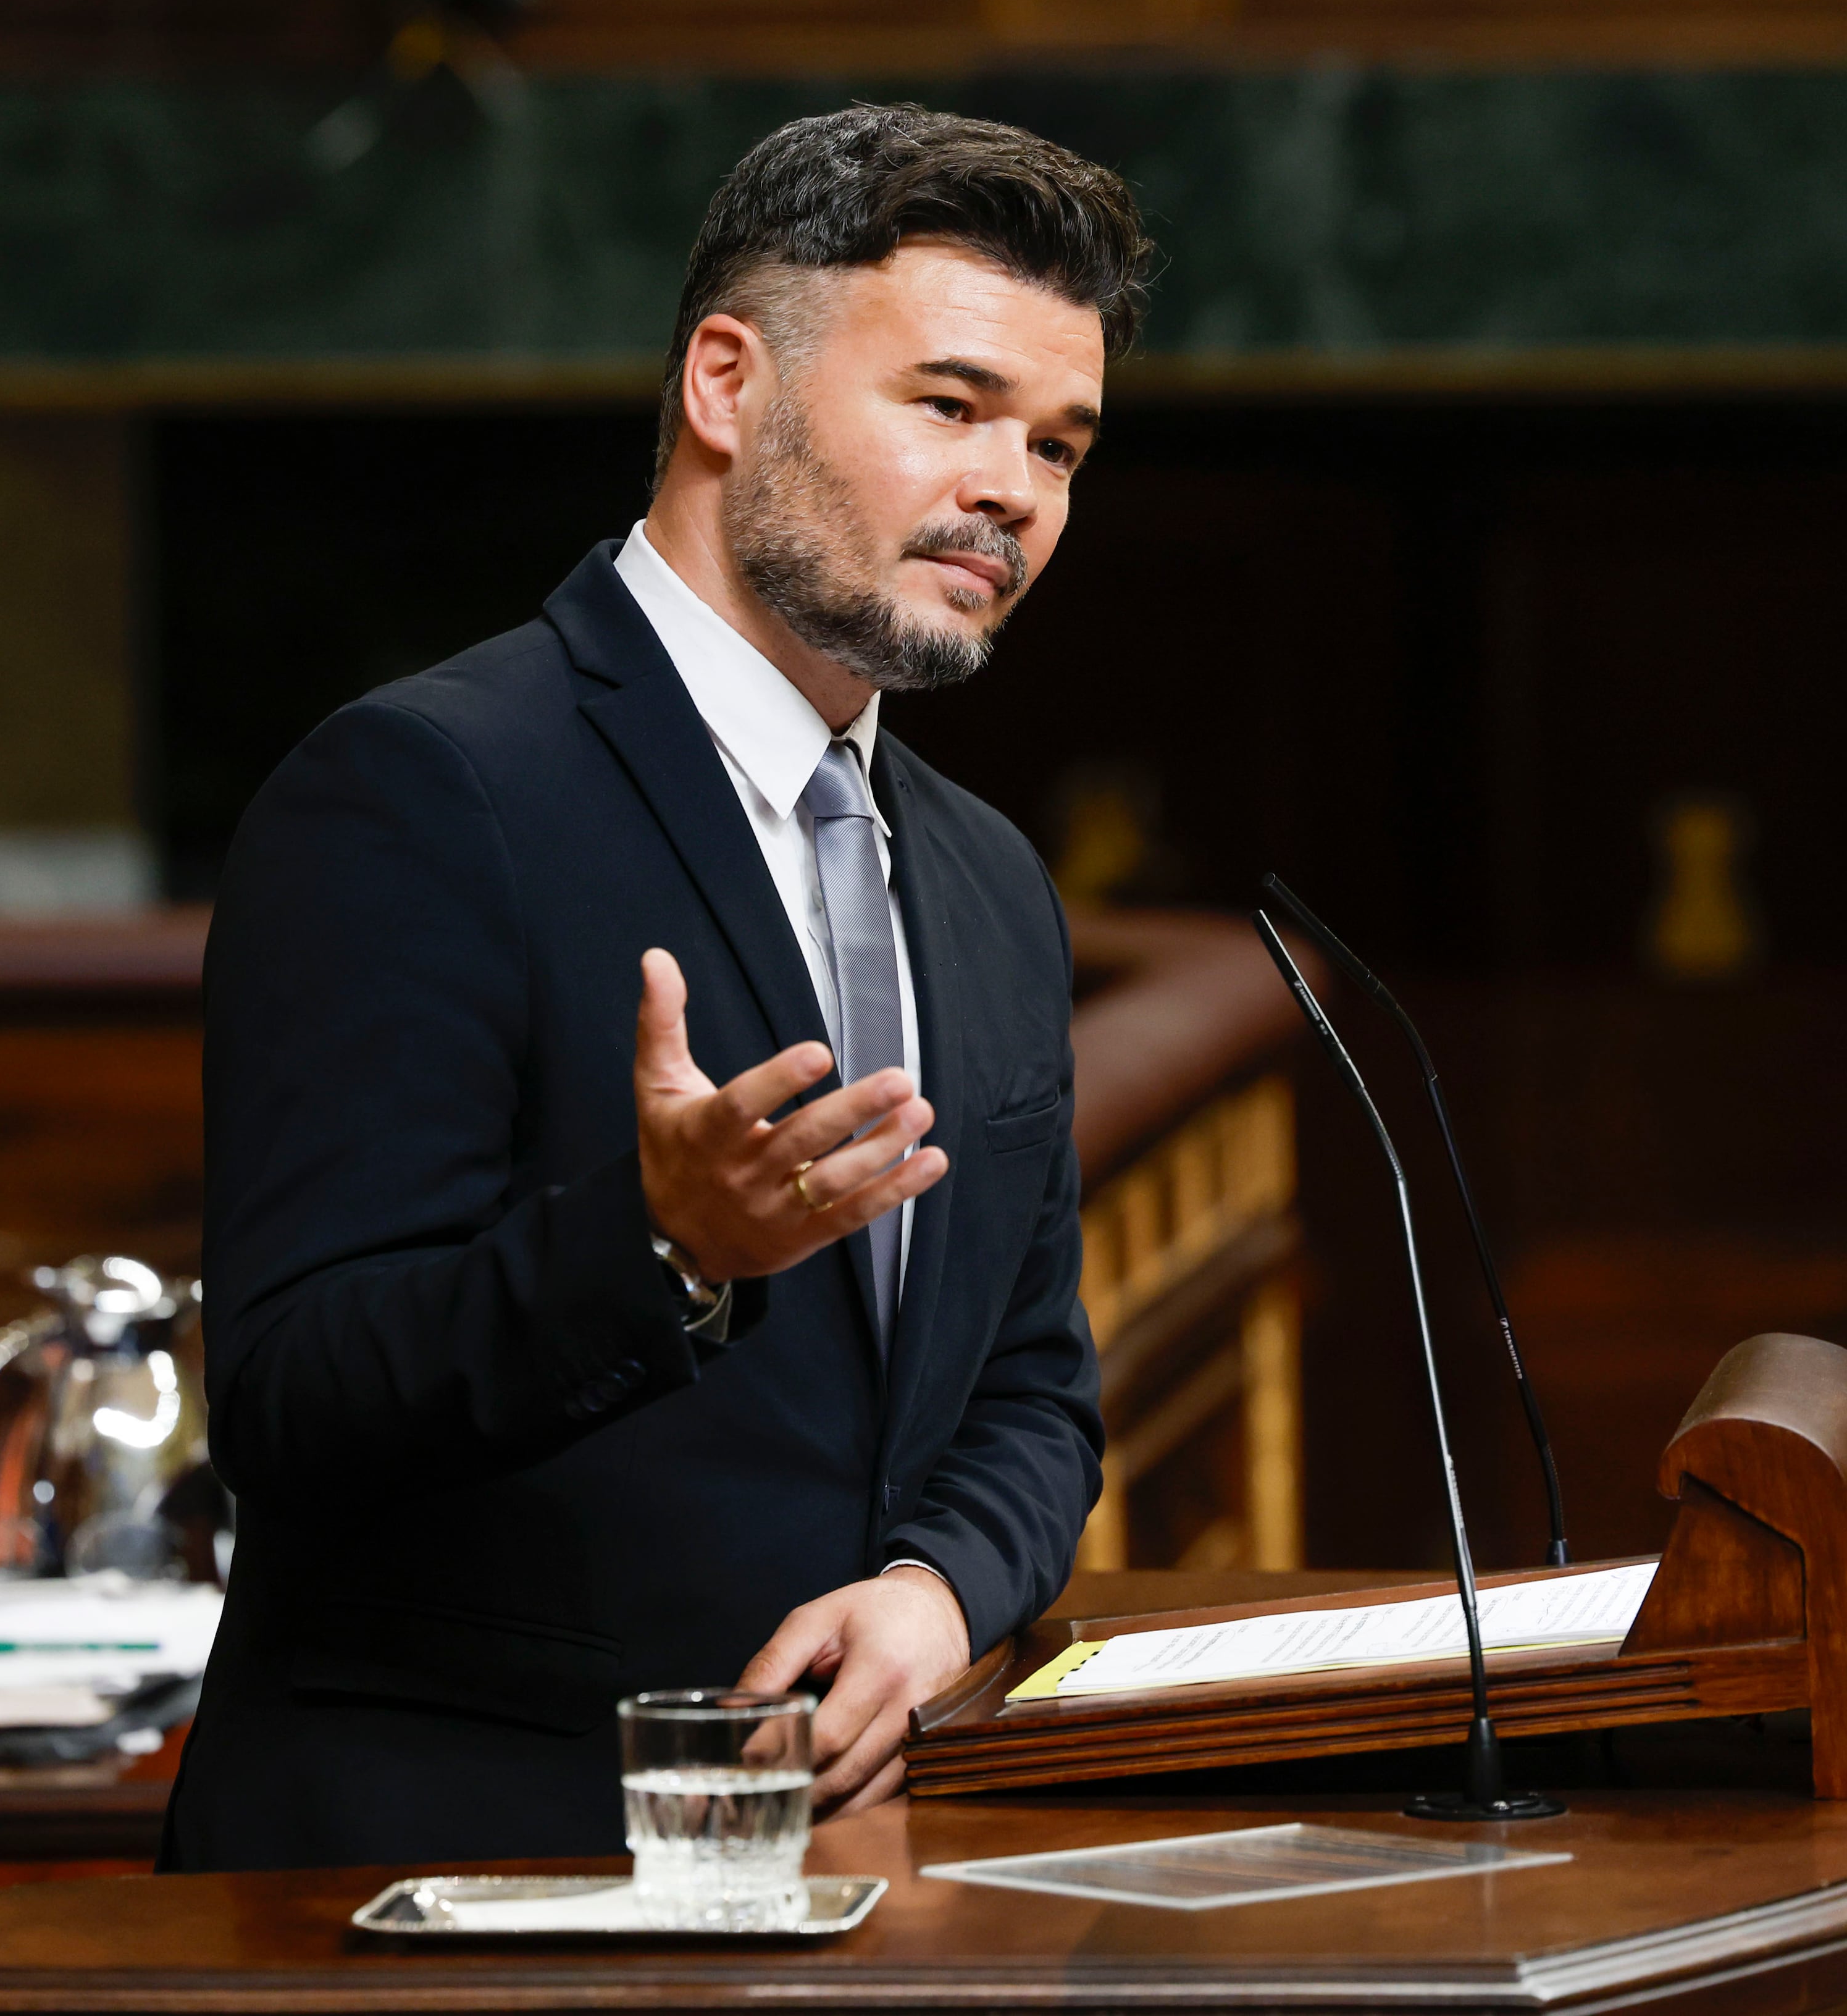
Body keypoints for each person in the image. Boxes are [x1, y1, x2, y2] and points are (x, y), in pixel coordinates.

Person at [164, 103, 1149, 1868]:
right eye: (949, 404)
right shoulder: (415, 788)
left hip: (855, 1873)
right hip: (456, 1874)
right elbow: (293, 1397)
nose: (1015, 487)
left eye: (1060, 445)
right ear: (724, 383)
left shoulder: (994, 879)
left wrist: (937, 1594)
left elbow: (1030, 1387)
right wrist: (667, 1247)